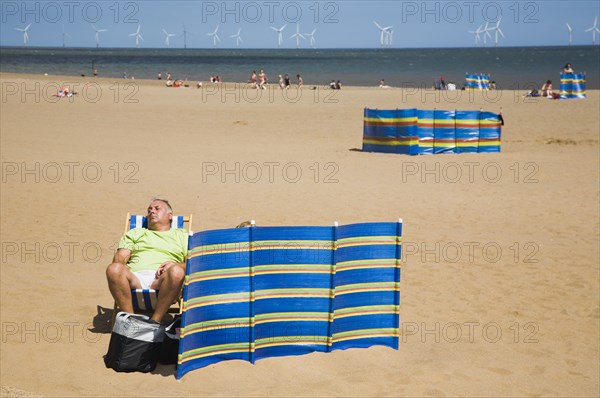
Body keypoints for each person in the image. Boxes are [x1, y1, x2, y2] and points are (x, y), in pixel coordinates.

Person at [106, 198, 187, 323]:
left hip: (163, 280)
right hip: (135, 278)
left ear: (170, 216)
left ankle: (155, 321)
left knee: (177, 271)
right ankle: (131, 320)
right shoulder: (136, 233)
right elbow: (120, 257)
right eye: (149, 209)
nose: (151, 211)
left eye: (157, 208)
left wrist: (177, 265)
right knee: (114, 268)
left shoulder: (182, 236)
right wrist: (121, 263)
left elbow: (194, 264)